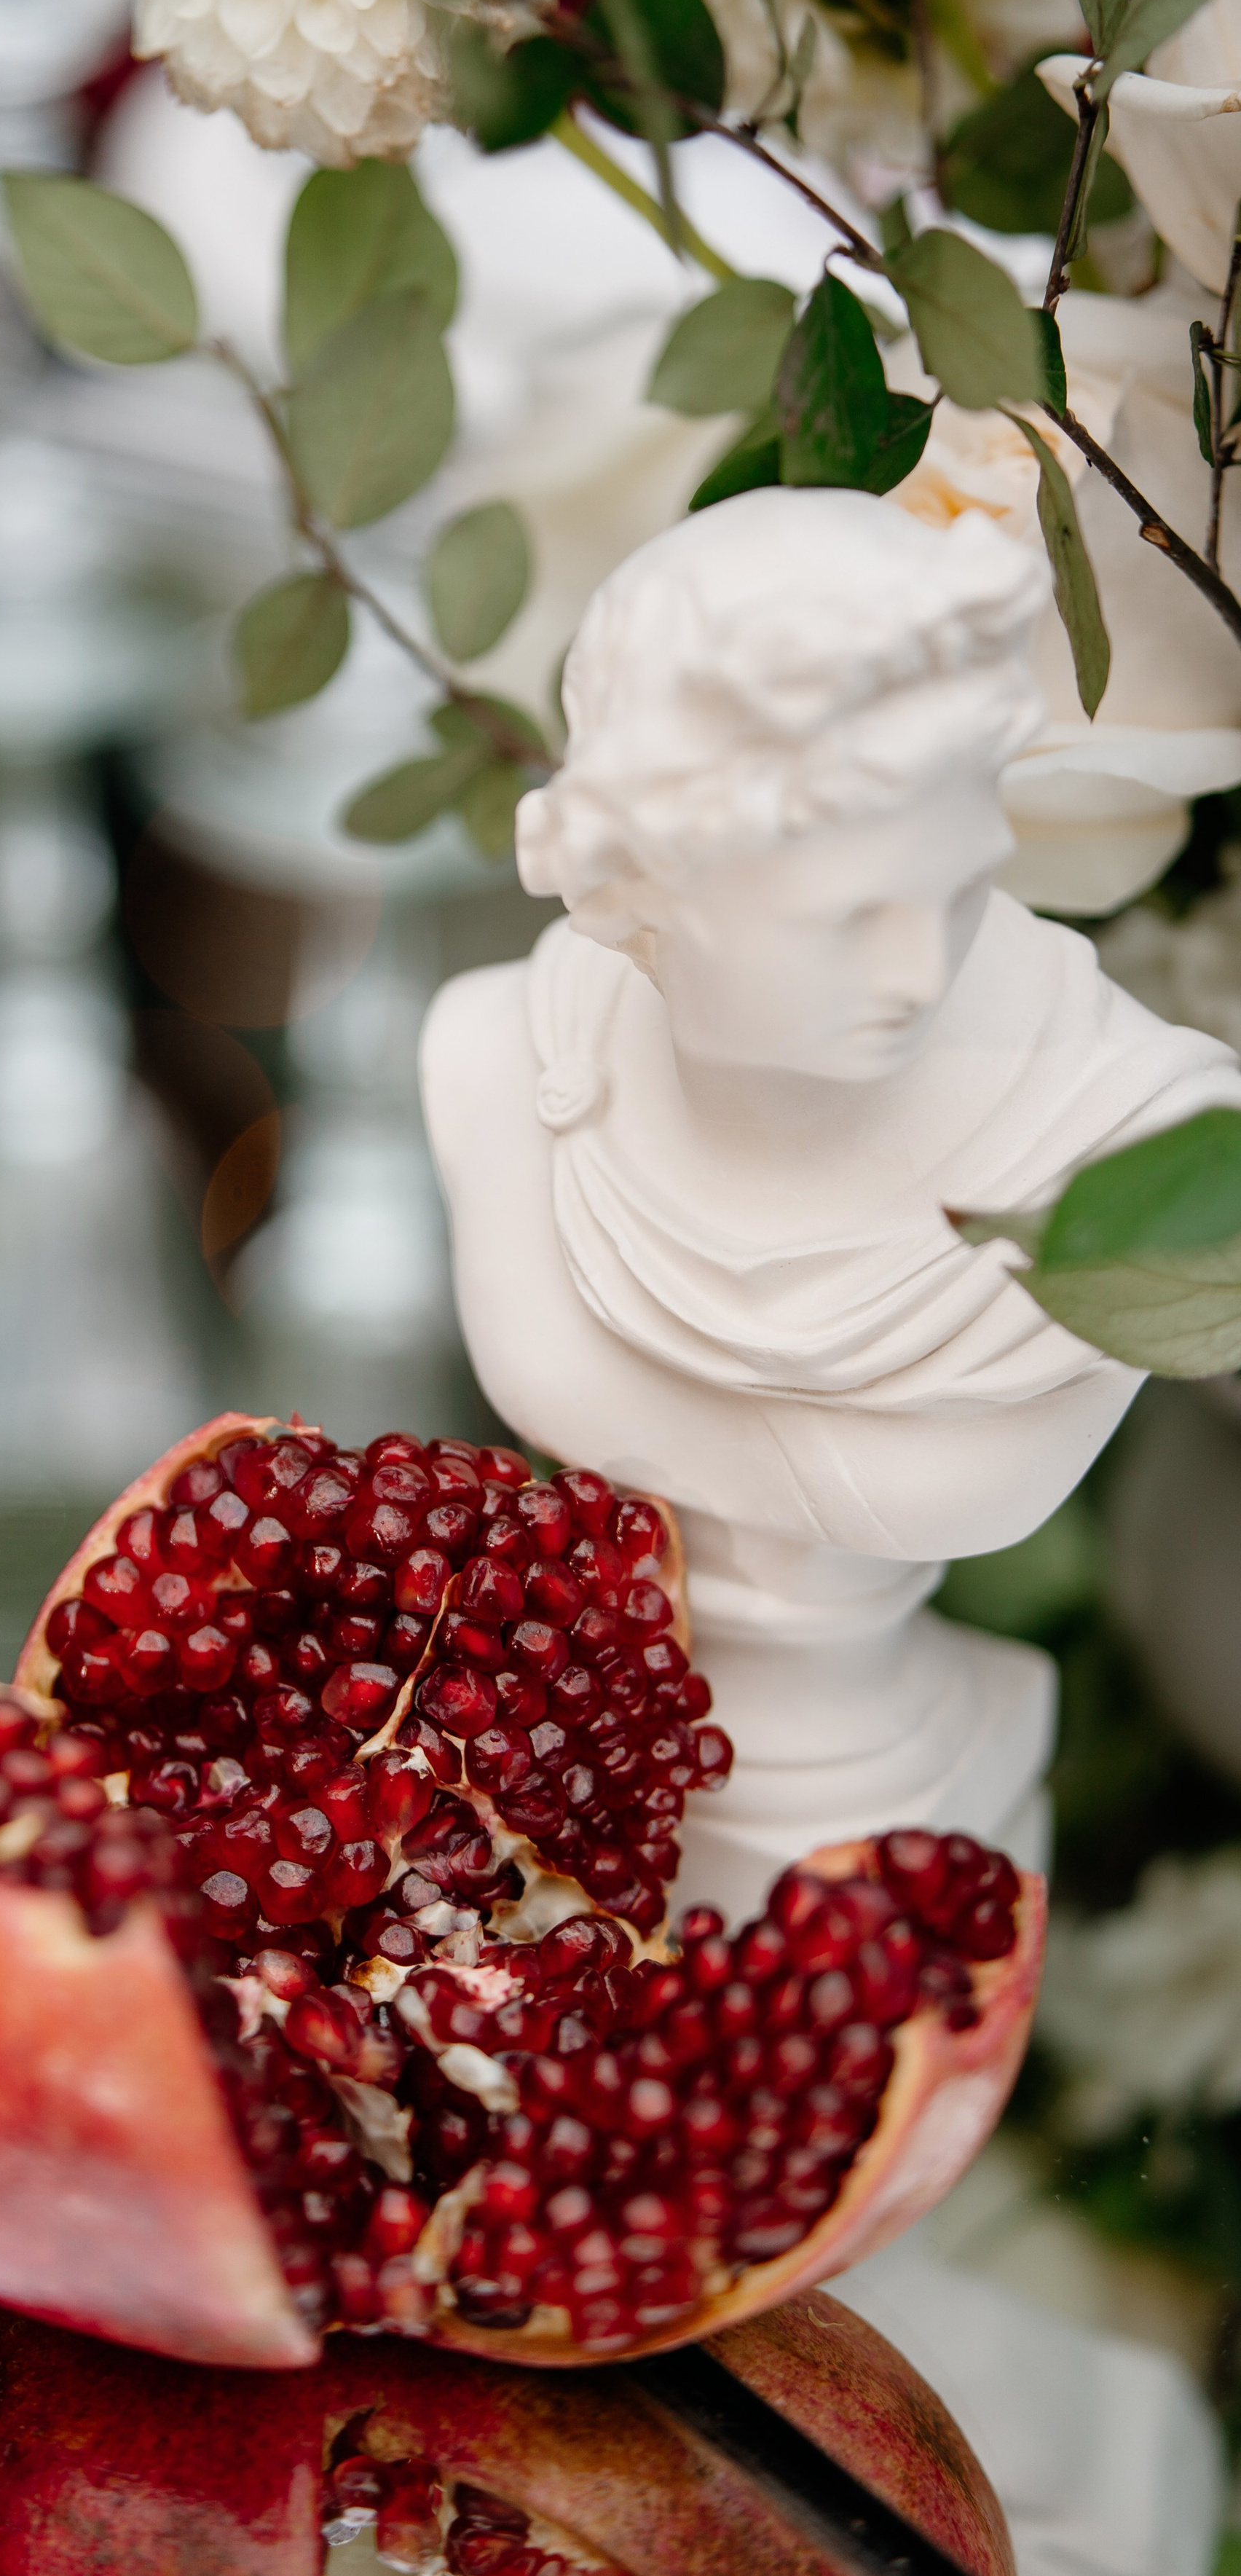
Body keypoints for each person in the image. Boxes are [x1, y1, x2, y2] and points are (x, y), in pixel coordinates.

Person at [422, 487, 1241, 1914]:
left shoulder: (1146, 1144)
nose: (918, 970)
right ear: (635, 887)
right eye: (844, 917)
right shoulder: (493, 1055)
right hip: (589, 1784)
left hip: (900, 1776)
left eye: (961, 886)